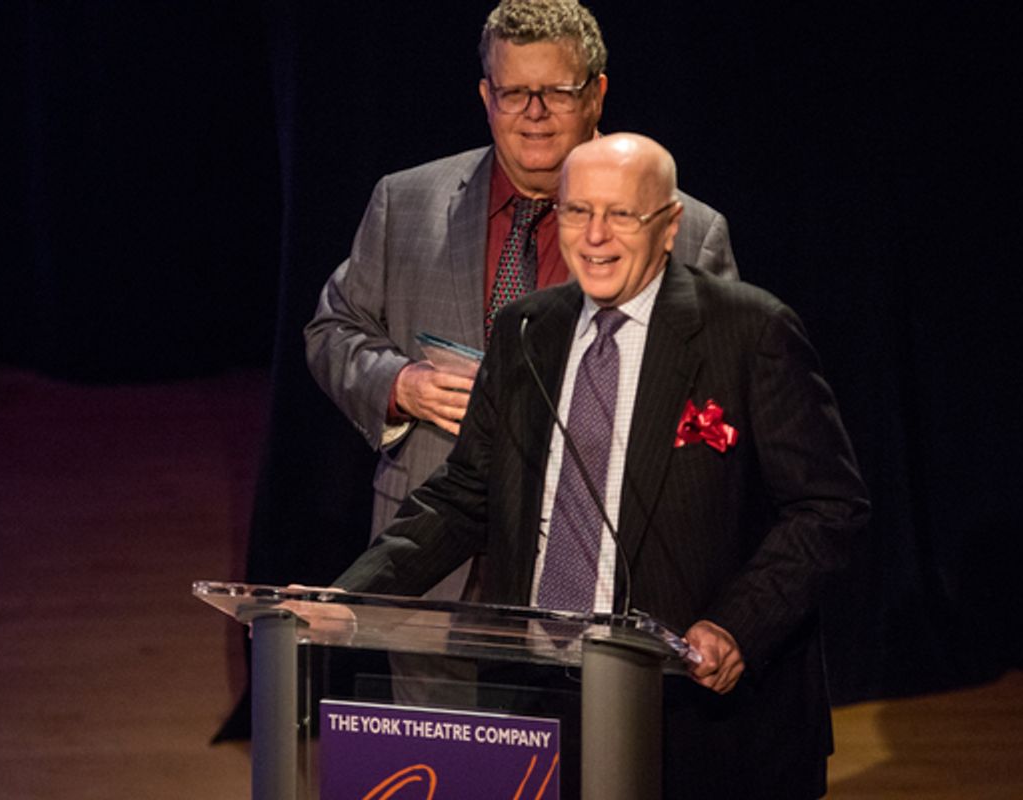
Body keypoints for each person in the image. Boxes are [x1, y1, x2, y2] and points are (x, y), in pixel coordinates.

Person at [327, 133, 871, 797]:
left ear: (669, 226)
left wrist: (737, 623)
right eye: (577, 212)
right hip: (540, 699)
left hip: (696, 711)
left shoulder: (750, 333)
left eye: (622, 215)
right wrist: (351, 594)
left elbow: (827, 507)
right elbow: (466, 492)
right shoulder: (526, 329)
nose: (595, 236)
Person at [304, 0, 738, 605]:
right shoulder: (405, 203)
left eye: (556, 92)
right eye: (513, 93)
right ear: (486, 97)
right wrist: (399, 384)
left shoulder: (685, 231)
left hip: (596, 569)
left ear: (596, 94)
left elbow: (717, 415)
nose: (534, 115)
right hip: (427, 570)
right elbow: (333, 329)